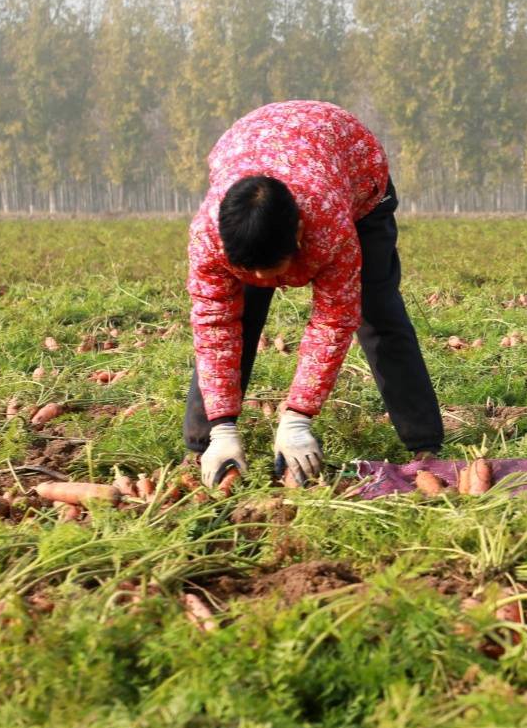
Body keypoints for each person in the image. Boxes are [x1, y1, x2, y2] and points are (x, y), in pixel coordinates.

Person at [184, 100, 443, 486]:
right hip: (252, 144)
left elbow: (334, 319)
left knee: (376, 310)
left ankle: (424, 443)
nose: (260, 277)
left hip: (352, 165)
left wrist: (298, 416)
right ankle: (207, 443)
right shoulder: (209, 238)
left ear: (300, 235)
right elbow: (213, 325)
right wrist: (221, 425)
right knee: (240, 316)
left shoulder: (328, 224)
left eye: (269, 268)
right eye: (249, 269)